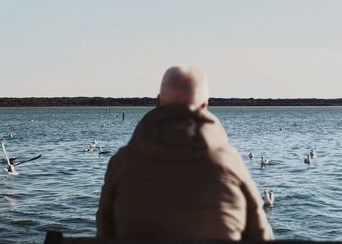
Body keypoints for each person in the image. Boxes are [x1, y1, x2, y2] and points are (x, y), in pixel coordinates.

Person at [96, 66, 273, 240]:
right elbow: (260, 234)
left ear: (157, 103)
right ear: (205, 105)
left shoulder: (121, 163)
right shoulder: (230, 162)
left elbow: (105, 231)